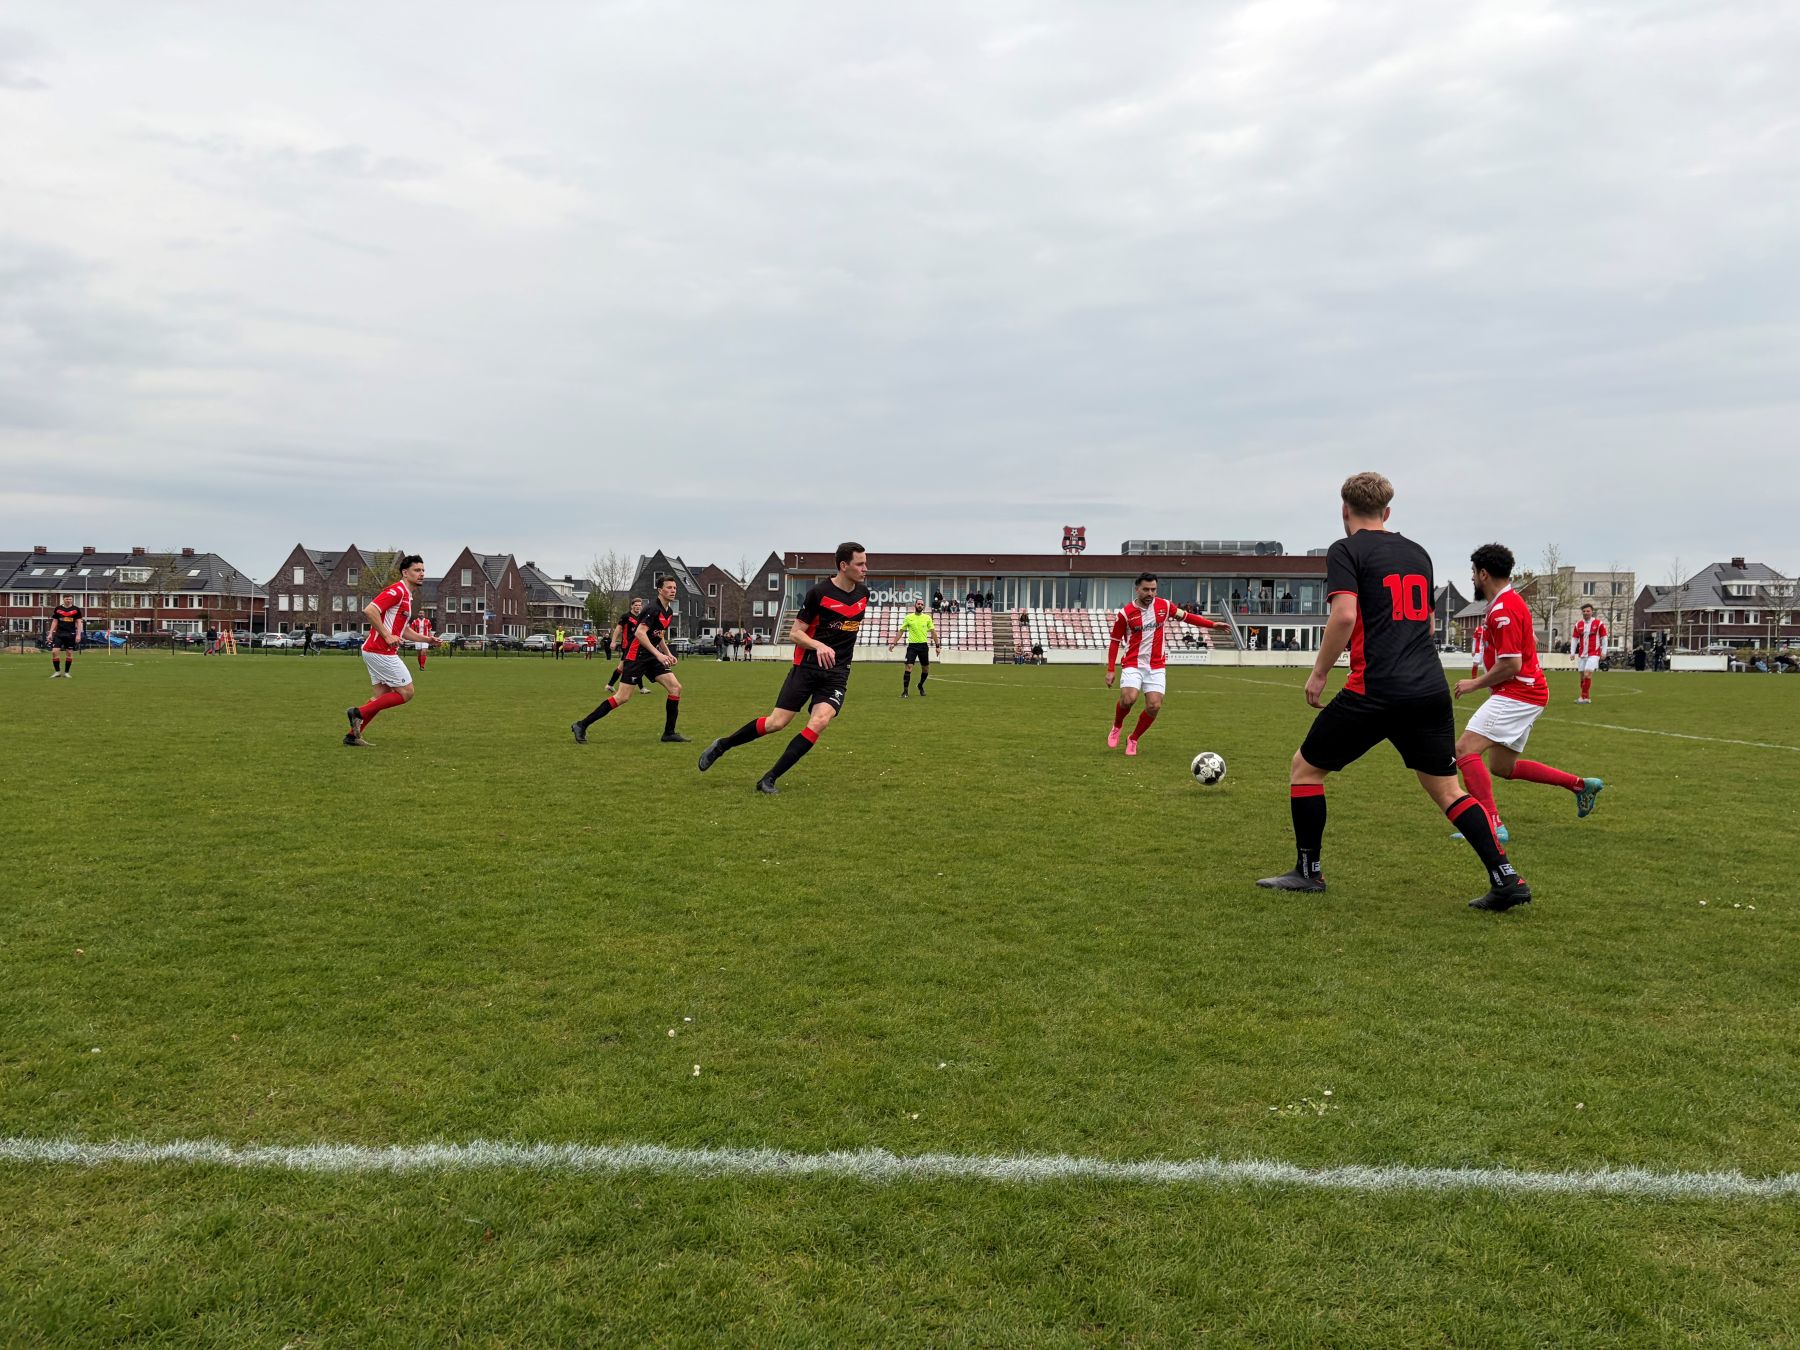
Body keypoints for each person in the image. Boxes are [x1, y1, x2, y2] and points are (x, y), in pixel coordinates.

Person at [1256, 473, 1529, 912]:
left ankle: (1307, 872)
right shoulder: (1417, 552)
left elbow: (1344, 616)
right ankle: (1506, 877)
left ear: (1344, 510)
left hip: (1376, 689)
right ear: (1387, 512)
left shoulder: (1345, 550)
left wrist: (1319, 672)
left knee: (1305, 770)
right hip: (1428, 688)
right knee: (1447, 789)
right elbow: (1427, 624)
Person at [1451, 544, 1603, 843]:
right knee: (1502, 767)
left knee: (1464, 750)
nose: (1471, 579)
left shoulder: (1503, 610)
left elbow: (1511, 664)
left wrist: (1474, 683)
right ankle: (1579, 785)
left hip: (1517, 692)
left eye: (1473, 573)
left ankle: (1491, 824)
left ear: (1483, 573)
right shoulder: (1509, 602)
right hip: (1526, 692)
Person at [697, 543, 869, 794]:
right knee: (776, 723)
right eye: (860, 564)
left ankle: (769, 779)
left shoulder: (864, 594)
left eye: (865, 563)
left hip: (837, 672)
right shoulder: (818, 594)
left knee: (820, 721)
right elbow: (795, 634)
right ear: (844, 566)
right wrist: (819, 645)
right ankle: (723, 745)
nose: (866, 568)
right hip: (807, 667)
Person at [1103, 572, 1227, 756]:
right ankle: (1117, 726)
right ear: (1137, 589)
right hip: (1133, 663)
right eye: (1146, 589)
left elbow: (1187, 617)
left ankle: (1134, 738)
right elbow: (1114, 641)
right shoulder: (1125, 614)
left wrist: (1211, 625)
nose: (1150, 593)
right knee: (1128, 699)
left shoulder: (1165, 606)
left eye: (1153, 589)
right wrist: (1111, 669)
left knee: (1154, 705)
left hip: (1156, 665)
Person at [344, 556, 444, 746]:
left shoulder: (407, 596)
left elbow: (404, 630)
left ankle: (352, 736)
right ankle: (357, 713)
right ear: (405, 573)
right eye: (417, 570)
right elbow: (370, 610)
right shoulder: (397, 591)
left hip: (375, 651)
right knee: (406, 692)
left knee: (381, 697)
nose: (421, 573)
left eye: (423, 570)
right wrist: (387, 635)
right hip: (380, 651)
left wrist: (427, 639)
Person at [572, 578, 686, 744]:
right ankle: (581, 725)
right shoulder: (652, 609)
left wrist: (667, 653)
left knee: (675, 688)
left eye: (674, 587)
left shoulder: (667, 611)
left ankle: (669, 733)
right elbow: (640, 634)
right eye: (669, 587)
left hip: (651, 656)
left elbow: (657, 634)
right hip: (636, 657)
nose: (673, 590)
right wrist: (659, 654)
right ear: (660, 590)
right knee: (622, 697)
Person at [889, 598, 941, 697]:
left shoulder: (927, 618)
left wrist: (937, 646)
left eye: (922, 604)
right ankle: (905, 692)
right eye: (918, 604)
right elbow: (901, 631)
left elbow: (933, 632)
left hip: (923, 646)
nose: (920, 605)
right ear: (915, 605)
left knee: (925, 669)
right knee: (909, 667)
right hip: (912, 646)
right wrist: (893, 643)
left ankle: (920, 685)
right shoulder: (909, 617)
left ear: (923, 606)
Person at [604, 599, 646, 695]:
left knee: (623, 666)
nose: (637, 607)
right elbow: (618, 629)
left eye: (639, 605)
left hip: (637, 646)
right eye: (636, 605)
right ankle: (642, 688)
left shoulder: (641, 617)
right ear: (632, 606)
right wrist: (613, 641)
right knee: (635, 665)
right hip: (627, 646)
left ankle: (610, 685)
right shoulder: (626, 617)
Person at [1570, 602, 1608, 704]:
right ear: (1582, 612)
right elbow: (1574, 639)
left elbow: (1604, 638)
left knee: (1587, 674)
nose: (1586, 613)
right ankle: (1586, 697)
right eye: (1584, 611)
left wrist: (1603, 651)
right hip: (1582, 654)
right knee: (1582, 676)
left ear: (1592, 612)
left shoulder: (1598, 624)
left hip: (1594, 653)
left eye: (1588, 611)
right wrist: (1572, 652)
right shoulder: (1578, 624)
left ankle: (1583, 697)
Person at [49, 595, 83, 677]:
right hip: (59, 633)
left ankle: (66, 672)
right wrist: (50, 633)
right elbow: (54, 621)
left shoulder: (76, 609)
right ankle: (57, 672)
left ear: (72, 600)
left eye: (70, 599)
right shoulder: (58, 609)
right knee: (54, 652)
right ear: (63, 599)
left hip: (70, 634)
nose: (68, 600)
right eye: (67, 599)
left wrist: (78, 634)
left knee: (69, 653)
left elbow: (79, 622)